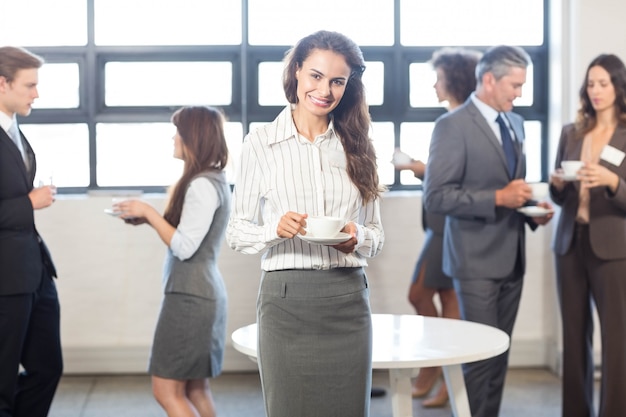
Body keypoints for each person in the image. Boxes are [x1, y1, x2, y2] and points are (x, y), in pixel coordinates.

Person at [226, 30, 384, 417]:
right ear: (296, 72)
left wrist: (357, 238)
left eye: (337, 81)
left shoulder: (359, 144)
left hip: (348, 300)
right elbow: (236, 231)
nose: (325, 90)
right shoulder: (260, 144)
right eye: (315, 75)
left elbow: (377, 235)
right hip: (285, 302)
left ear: (349, 85)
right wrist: (273, 230)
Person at [423, 45, 553, 417]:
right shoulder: (451, 126)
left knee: (499, 356)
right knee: (480, 360)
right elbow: (436, 196)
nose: (520, 94)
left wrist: (531, 212)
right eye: (515, 85)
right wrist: (499, 197)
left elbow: (513, 188)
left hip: (513, 257)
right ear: (489, 79)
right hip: (475, 261)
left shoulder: (516, 123)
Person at [114, 106, 230, 417]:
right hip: (201, 295)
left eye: (177, 130)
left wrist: (150, 213)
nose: (173, 137)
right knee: (195, 388)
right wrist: (149, 220)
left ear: (193, 136)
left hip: (190, 299)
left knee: (165, 389)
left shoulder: (202, 185)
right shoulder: (212, 179)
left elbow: (184, 247)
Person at [394, 47, 481, 408]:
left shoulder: (463, 121)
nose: (434, 84)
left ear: (455, 80)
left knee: (422, 294)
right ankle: (439, 373)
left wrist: (414, 167)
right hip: (439, 226)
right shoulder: (452, 119)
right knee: (443, 300)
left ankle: (440, 372)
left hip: (450, 229)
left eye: (439, 77)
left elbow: (458, 177)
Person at [549, 53, 626, 417]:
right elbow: (560, 195)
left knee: (617, 340)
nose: (595, 91)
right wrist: (558, 184)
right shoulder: (572, 131)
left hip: (614, 249)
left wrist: (613, 182)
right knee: (574, 337)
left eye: (603, 83)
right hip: (569, 243)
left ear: (618, 87)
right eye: (591, 84)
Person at [0, 46, 62, 417]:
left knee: (47, 368)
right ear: (2, 84)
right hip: (5, 280)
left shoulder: (14, 129)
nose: (36, 94)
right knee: (2, 382)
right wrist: (29, 203)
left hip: (35, 272)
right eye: (30, 85)